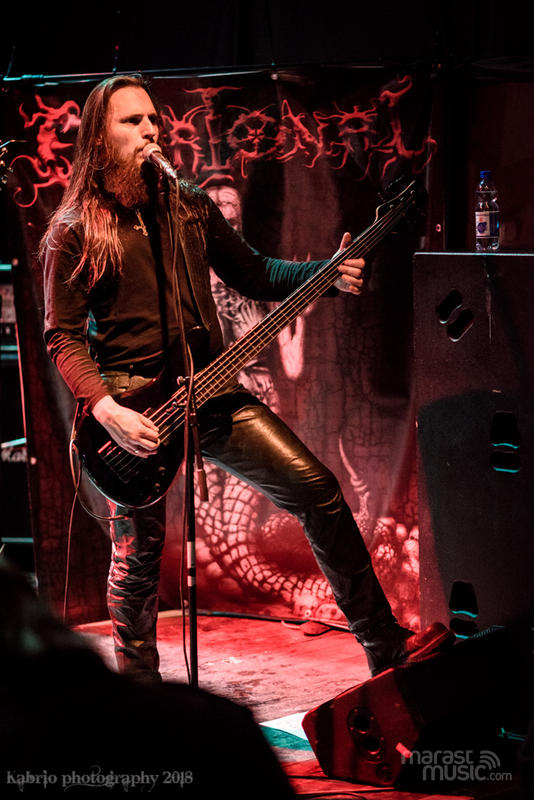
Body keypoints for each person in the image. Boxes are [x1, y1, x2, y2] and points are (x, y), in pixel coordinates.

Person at [41, 74, 451, 685]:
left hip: (209, 393)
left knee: (317, 491)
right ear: (99, 139)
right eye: (132, 121)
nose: (150, 131)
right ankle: (138, 697)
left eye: (153, 119)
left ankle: (385, 646)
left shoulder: (185, 204)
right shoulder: (76, 229)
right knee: (138, 558)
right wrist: (105, 408)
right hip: (131, 412)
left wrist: (326, 273)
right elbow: (63, 336)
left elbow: (255, 273)